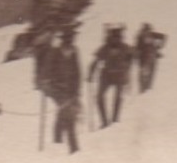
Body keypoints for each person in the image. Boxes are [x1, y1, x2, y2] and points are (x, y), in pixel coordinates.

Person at [36, 24, 84, 154]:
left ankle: (57, 140)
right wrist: (45, 84)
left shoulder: (74, 51)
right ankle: (74, 148)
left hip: (70, 90)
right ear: (63, 39)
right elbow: (45, 72)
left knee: (64, 113)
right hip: (56, 89)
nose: (70, 40)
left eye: (72, 37)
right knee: (68, 114)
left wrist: (76, 92)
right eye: (68, 38)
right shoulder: (55, 53)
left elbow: (77, 73)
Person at [88, 26, 134, 128]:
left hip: (120, 75)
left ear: (120, 37)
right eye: (113, 37)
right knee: (99, 97)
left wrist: (127, 66)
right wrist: (90, 74)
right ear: (110, 38)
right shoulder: (105, 48)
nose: (115, 40)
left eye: (117, 37)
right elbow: (96, 61)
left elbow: (132, 54)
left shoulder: (124, 47)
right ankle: (104, 121)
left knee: (118, 97)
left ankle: (115, 120)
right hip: (106, 75)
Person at [134, 23, 167, 93]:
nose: (146, 32)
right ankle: (145, 88)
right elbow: (164, 37)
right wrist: (160, 46)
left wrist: (159, 46)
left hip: (148, 57)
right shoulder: (146, 35)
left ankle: (145, 88)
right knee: (148, 72)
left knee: (147, 72)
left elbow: (164, 37)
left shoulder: (143, 35)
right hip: (148, 57)